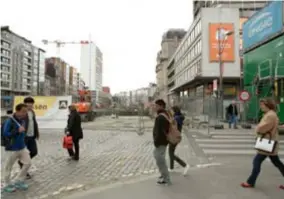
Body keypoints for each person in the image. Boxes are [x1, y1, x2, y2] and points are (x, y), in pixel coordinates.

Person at [241, 98, 284, 190]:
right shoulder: (270, 114)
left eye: (262, 105)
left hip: (267, 142)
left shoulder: (270, 115)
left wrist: (257, 128)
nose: (261, 107)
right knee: (277, 163)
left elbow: (262, 128)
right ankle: (250, 182)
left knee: (257, 161)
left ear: (268, 105)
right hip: (270, 142)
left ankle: (250, 182)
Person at [2, 103, 31, 192]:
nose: (25, 113)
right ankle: (7, 184)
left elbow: (23, 133)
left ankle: (18, 180)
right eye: (23, 111)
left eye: (26, 112)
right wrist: (17, 131)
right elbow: (5, 133)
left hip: (22, 147)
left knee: (28, 163)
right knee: (8, 167)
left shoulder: (23, 120)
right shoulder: (9, 121)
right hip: (12, 148)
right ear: (17, 111)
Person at [18, 97, 39, 179]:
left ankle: (22, 162)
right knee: (25, 154)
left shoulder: (32, 112)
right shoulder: (22, 113)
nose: (30, 105)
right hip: (24, 137)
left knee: (34, 151)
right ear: (25, 104)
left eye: (31, 103)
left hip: (32, 136)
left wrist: (36, 133)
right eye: (28, 103)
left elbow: (34, 123)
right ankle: (24, 171)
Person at [153, 99, 171, 185]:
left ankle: (166, 179)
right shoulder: (165, 114)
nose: (154, 107)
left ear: (161, 106)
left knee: (160, 161)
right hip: (163, 142)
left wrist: (156, 141)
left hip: (161, 142)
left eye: (156, 106)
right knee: (160, 159)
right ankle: (164, 176)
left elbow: (160, 131)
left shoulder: (160, 117)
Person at [168, 106, 189, 175]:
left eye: (171, 110)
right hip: (177, 137)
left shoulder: (176, 118)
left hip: (174, 137)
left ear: (174, 111)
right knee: (171, 152)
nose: (171, 111)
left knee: (171, 154)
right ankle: (171, 168)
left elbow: (171, 126)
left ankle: (185, 165)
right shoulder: (178, 117)